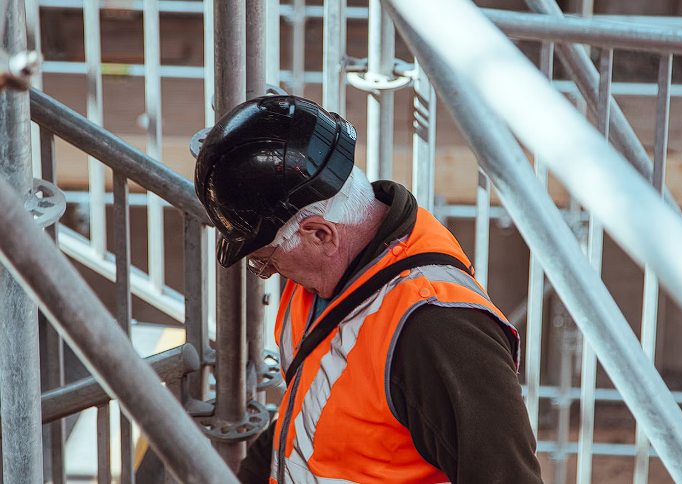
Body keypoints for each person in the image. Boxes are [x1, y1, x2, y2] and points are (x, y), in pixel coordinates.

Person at [195, 95, 543, 484]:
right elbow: (306, 410)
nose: (270, 271)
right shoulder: (327, 275)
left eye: (265, 258)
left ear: (320, 234)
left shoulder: (437, 330)